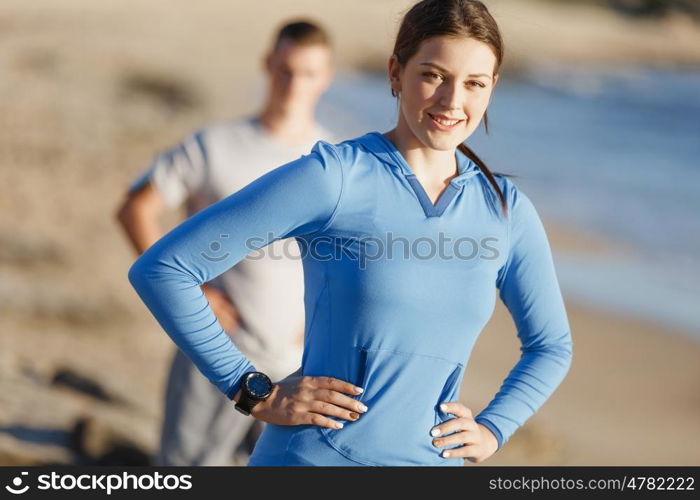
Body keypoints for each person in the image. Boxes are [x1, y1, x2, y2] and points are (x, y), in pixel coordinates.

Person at [127, 0, 573, 466]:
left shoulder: (505, 211)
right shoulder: (335, 177)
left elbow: (551, 346)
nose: (452, 101)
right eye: (434, 75)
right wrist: (253, 390)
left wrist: (493, 428)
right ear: (396, 72)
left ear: (492, 88)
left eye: (474, 83)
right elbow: (164, 269)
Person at [116, 20, 337, 465]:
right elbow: (135, 208)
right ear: (268, 64)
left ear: (326, 78)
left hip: (301, 362)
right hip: (215, 353)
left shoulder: (334, 157)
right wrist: (198, 295)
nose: (294, 84)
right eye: (286, 70)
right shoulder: (216, 145)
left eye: (309, 73)